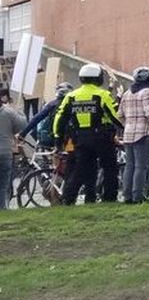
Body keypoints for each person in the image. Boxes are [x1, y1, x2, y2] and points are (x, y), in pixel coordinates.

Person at [52, 63, 123, 204]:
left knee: (81, 170)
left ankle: (69, 198)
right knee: (109, 168)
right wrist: (125, 129)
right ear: (98, 78)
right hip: (102, 138)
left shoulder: (71, 96)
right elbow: (117, 116)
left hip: (81, 139)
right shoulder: (103, 95)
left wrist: (58, 140)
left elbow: (59, 119)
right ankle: (109, 198)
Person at [119, 66, 149, 205]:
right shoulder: (148, 92)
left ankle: (127, 196)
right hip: (143, 134)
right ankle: (137, 197)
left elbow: (120, 115)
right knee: (141, 167)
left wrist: (128, 125)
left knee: (129, 166)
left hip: (128, 134)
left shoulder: (127, 93)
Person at [17, 82, 73, 149]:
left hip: (52, 139)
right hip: (71, 139)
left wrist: (23, 134)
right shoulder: (74, 104)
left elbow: (37, 118)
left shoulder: (52, 104)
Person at [0, 92, 27, 210]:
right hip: (5, 153)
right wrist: (19, 111)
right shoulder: (8, 112)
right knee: (3, 184)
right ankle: (2, 208)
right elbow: (22, 125)